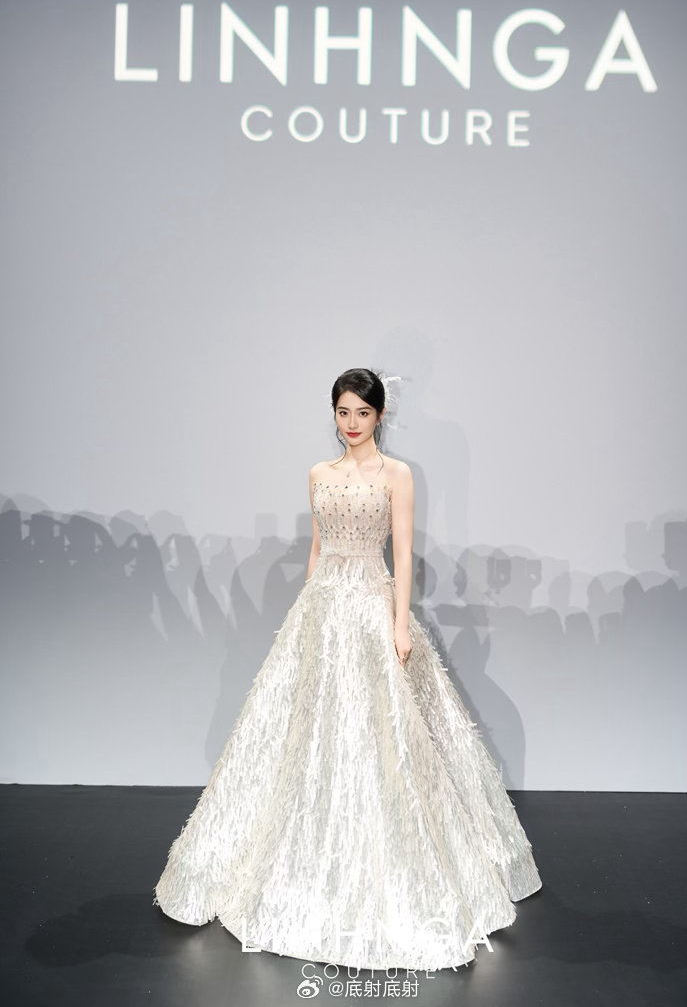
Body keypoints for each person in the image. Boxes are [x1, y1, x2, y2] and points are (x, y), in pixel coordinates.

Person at [153, 366, 542, 971]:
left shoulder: (397, 474)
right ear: (333, 414)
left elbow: (402, 553)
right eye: (343, 412)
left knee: (382, 732)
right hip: (323, 606)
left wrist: (400, 622)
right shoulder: (318, 473)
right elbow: (317, 546)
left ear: (380, 416)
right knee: (308, 729)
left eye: (363, 413)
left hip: (369, 606)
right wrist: (306, 609)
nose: (352, 423)